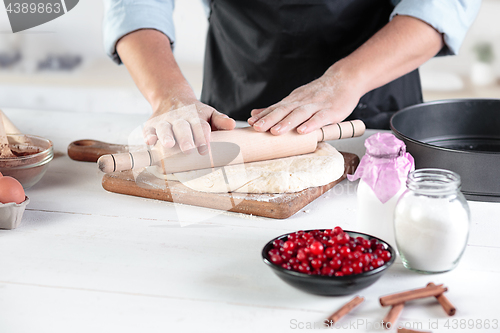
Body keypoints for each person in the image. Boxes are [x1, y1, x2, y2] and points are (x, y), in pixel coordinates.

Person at [103, 0, 480, 154]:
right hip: (233, 116)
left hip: (373, 112)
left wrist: (345, 80)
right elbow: (135, 7)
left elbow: (440, 7)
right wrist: (170, 97)